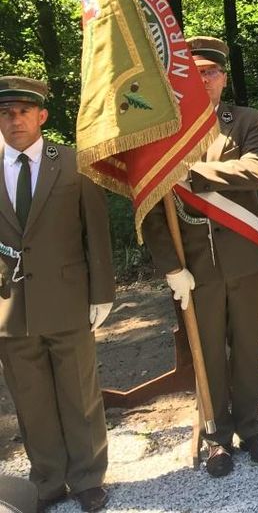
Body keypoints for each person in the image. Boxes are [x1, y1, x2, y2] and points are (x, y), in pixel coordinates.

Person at [141, 37, 258, 478]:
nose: (205, 80)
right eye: (195, 74)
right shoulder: (164, 132)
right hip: (193, 263)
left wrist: (194, 173)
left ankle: (251, 429)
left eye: (212, 72)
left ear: (223, 78)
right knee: (209, 351)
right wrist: (170, 266)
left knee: (247, 346)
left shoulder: (244, 120)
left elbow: (257, 171)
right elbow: (151, 205)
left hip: (242, 254)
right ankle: (217, 436)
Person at [0, 77, 113, 512]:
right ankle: (47, 479)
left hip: (68, 300)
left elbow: (95, 233)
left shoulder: (72, 163)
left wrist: (102, 292)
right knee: (32, 400)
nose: (15, 120)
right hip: (11, 309)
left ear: (41, 115)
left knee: (79, 394)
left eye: (23, 111)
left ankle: (87, 479)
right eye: (6, 113)